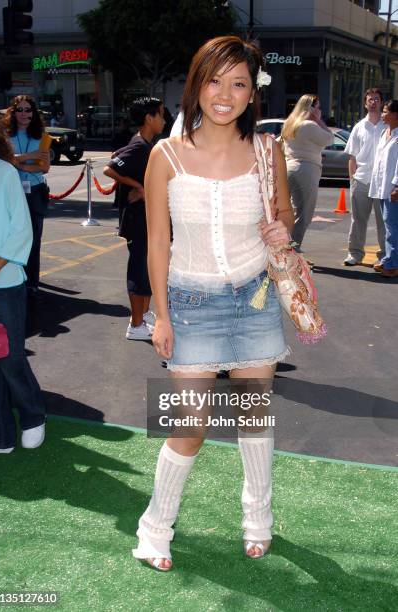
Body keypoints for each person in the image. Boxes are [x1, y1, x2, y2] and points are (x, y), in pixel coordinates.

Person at [132, 36, 294, 571]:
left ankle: (258, 517)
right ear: (197, 85)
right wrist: (161, 315)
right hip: (189, 298)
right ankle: (155, 525)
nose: (225, 93)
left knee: (252, 415)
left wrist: (279, 230)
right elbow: (158, 241)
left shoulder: (269, 151)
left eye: (239, 83)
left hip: (255, 296)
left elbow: (286, 219)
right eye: (215, 80)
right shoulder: (166, 155)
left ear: (253, 93)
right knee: (189, 424)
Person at [0, 109, 46, 453]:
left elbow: (20, 228)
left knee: (9, 355)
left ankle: (32, 415)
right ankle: (0, 434)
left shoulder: (4, 172)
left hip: (6, 279)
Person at [103, 97, 165, 340]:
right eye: (160, 114)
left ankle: (143, 316)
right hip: (138, 221)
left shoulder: (145, 144)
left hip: (147, 220)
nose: (164, 119)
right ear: (149, 118)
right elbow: (110, 167)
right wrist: (139, 186)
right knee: (139, 271)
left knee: (147, 270)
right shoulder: (140, 146)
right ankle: (136, 324)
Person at [4, 95, 51, 298]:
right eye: (20, 110)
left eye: (28, 110)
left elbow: (45, 168)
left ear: (34, 113)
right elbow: (1, 159)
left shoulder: (42, 136)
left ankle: (32, 283)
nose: (24, 114)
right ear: (13, 113)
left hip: (35, 193)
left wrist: (18, 163)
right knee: (10, 237)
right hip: (11, 192)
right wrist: (28, 158)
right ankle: (13, 278)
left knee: (33, 240)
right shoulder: (4, 135)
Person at [281, 94, 333, 251]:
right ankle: (293, 247)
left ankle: (284, 245)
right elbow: (330, 139)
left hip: (289, 167)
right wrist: (319, 120)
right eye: (318, 107)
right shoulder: (310, 125)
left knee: (288, 210)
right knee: (304, 214)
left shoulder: (289, 124)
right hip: (307, 169)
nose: (320, 111)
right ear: (310, 108)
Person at [343, 88, 386, 267]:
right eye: (370, 99)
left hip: (383, 182)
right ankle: (355, 254)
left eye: (376, 99)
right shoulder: (359, 127)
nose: (373, 102)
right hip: (361, 180)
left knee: (384, 223)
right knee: (358, 220)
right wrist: (352, 180)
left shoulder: (389, 125)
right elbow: (352, 157)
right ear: (365, 103)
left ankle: (385, 256)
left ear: (382, 102)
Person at [369, 100, 398, 278]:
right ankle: (389, 260)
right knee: (389, 226)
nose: (382, 114)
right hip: (381, 187)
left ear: (395, 115)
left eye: (386, 111)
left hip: (392, 189)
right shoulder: (383, 133)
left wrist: (397, 186)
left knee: (392, 228)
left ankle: (392, 264)